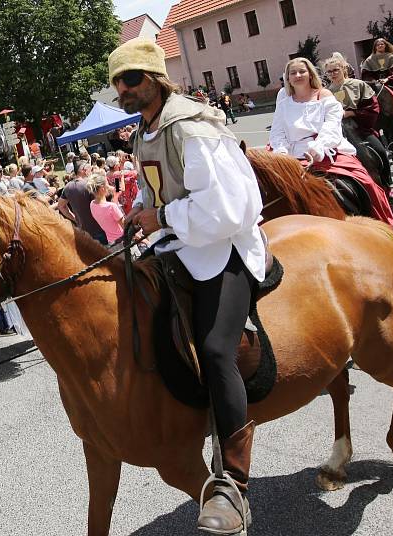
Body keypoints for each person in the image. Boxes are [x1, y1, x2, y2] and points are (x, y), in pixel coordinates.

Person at [109, 38, 265, 534]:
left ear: (155, 78)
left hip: (223, 246)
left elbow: (230, 207)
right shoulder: (146, 130)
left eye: (130, 78)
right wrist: (141, 209)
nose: (122, 89)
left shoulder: (191, 126)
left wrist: (161, 215)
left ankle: (234, 486)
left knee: (218, 350)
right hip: (178, 245)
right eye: (117, 82)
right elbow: (157, 187)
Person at [270, 56, 393, 225]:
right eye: (293, 73)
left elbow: (332, 126)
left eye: (302, 71)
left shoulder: (324, 94)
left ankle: (377, 225)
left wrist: (318, 148)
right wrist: (282, 155)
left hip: (328, 150)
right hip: (293, 156)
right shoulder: (284, 103)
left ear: (310, 74)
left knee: (364, 181)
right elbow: (277, 133)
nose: (298, 75)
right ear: (288, 78)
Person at [324, 56, 393, 202]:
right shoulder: (325, 92)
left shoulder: (358, 85)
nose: (333, 74)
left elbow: (373, 107)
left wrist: (351, 113)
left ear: (343, 69)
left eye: (336, 70)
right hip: (336, 132)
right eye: (329, 72)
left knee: (380, 151)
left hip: (360, 128)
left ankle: (388, 186)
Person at [56, 162, 108, 245]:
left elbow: (61, 206)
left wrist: (74, 218)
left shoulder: (67, 187)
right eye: (90, 169)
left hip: (84, 231)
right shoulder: (90, 184)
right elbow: (102, 205)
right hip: (100, 229)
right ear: (84, 170)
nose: (91, 171)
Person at [88, 173, 124, 246]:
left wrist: (115, 197)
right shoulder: (111, 206)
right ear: (102, 188)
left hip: (111, 242)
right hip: (123, 241)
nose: (109, 187)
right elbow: (125, 226)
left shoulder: (92, 204)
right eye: (107, 184)